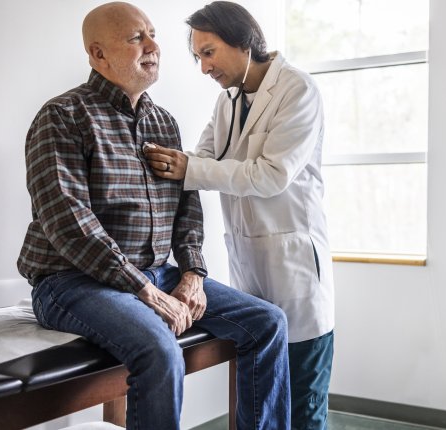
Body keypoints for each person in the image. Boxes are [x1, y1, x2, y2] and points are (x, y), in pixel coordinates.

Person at [16, 3, 290, 429]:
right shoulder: (62, 116)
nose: (153, 46)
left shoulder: (163, 122)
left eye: (152, 34)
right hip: (70, 281)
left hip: (154, 272)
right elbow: (69, 223)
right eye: (135, 38)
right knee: (160, 349)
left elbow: (187, 207)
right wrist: (144, 289)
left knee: (267, 322)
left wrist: (193, 274)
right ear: (98, 54)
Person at [143, 2, 335, 428]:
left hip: (295, 264)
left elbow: (272, 175)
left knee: (301, 402)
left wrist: (188, 167)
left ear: (244, 40)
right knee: (263, 394)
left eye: (209, 52)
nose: (203, 68)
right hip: (249, 261)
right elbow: (205, 158)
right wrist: (158, 161)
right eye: (197, 56)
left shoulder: (297, 90)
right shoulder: (228, 101)